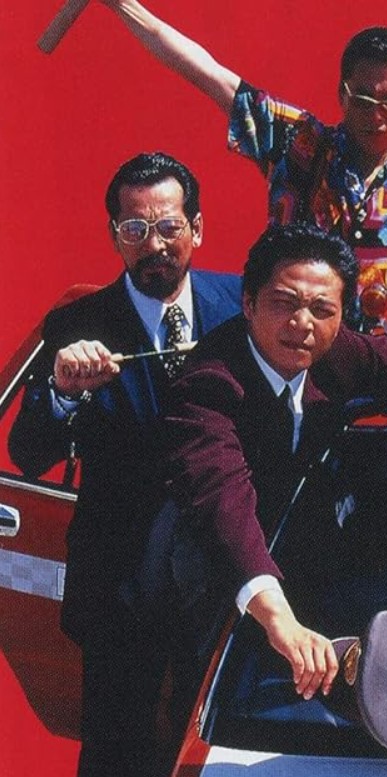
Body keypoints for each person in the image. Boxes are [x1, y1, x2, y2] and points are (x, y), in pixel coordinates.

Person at [158, 223, 387, 712]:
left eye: (322, 309)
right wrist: (278, 619)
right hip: (220, 580)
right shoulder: (210, 383)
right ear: (248, 304)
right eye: (284, 303)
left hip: (311, 566)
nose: (302, 323)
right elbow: (222, 502)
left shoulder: (337, 352)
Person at [7, 152, 241, 777]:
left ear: (197, 228)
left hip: (225, 579)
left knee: (218, 757)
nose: (154, 245)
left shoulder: (244, 305)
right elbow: (27, 453)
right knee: (116, 754)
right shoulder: (75, 325)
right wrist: (62, 392)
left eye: (168, 227)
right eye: (135, 230)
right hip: (120, 589)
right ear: (115, 236)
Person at [98, 0, 387, 304]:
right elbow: (206, 73)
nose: (374, 115)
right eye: (362, 99)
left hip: (372, 352)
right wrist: (124, 5)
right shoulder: (300, 144)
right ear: (342, 94)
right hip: (282, 339)